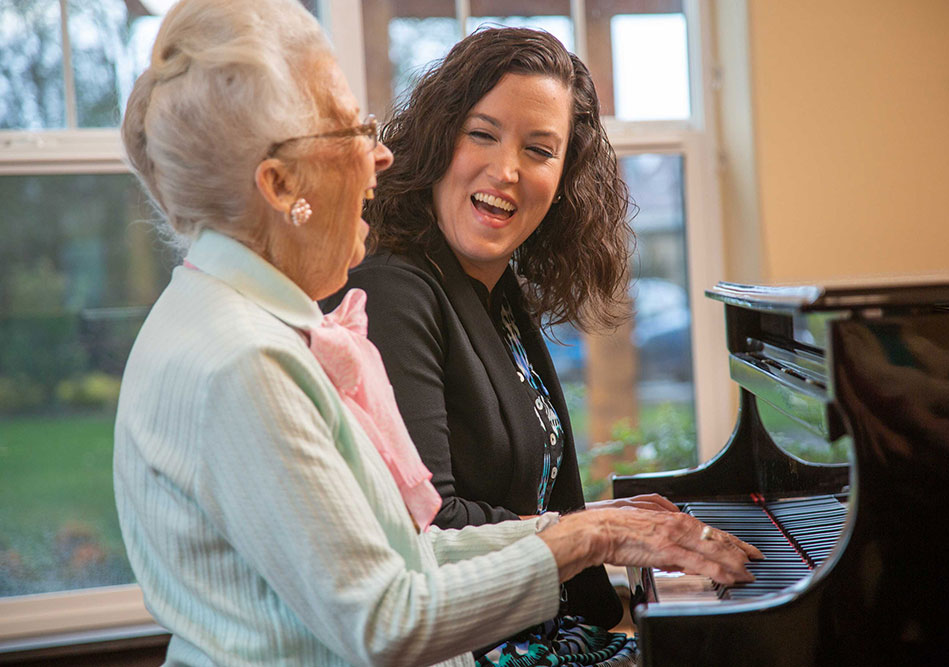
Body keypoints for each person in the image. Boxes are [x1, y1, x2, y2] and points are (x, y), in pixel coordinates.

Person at [114, 2, 761, 665]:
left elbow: (406, 550)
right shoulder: (243, 360)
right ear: (283, 186)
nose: (383, 154)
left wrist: (594, 529)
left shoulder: (242, 323)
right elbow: (387, 620)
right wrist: (587, 536)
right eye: (352, 130)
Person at [320, 27, 670, 635]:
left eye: (539, 150)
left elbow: (543, 507)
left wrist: (611, 564)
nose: (506, 169)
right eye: (482, 134)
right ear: (437, 142)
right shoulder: (392, 292)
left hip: (541, 627)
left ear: (565, 179)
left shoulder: (495, 290)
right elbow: (427, 530)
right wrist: (590, 534)